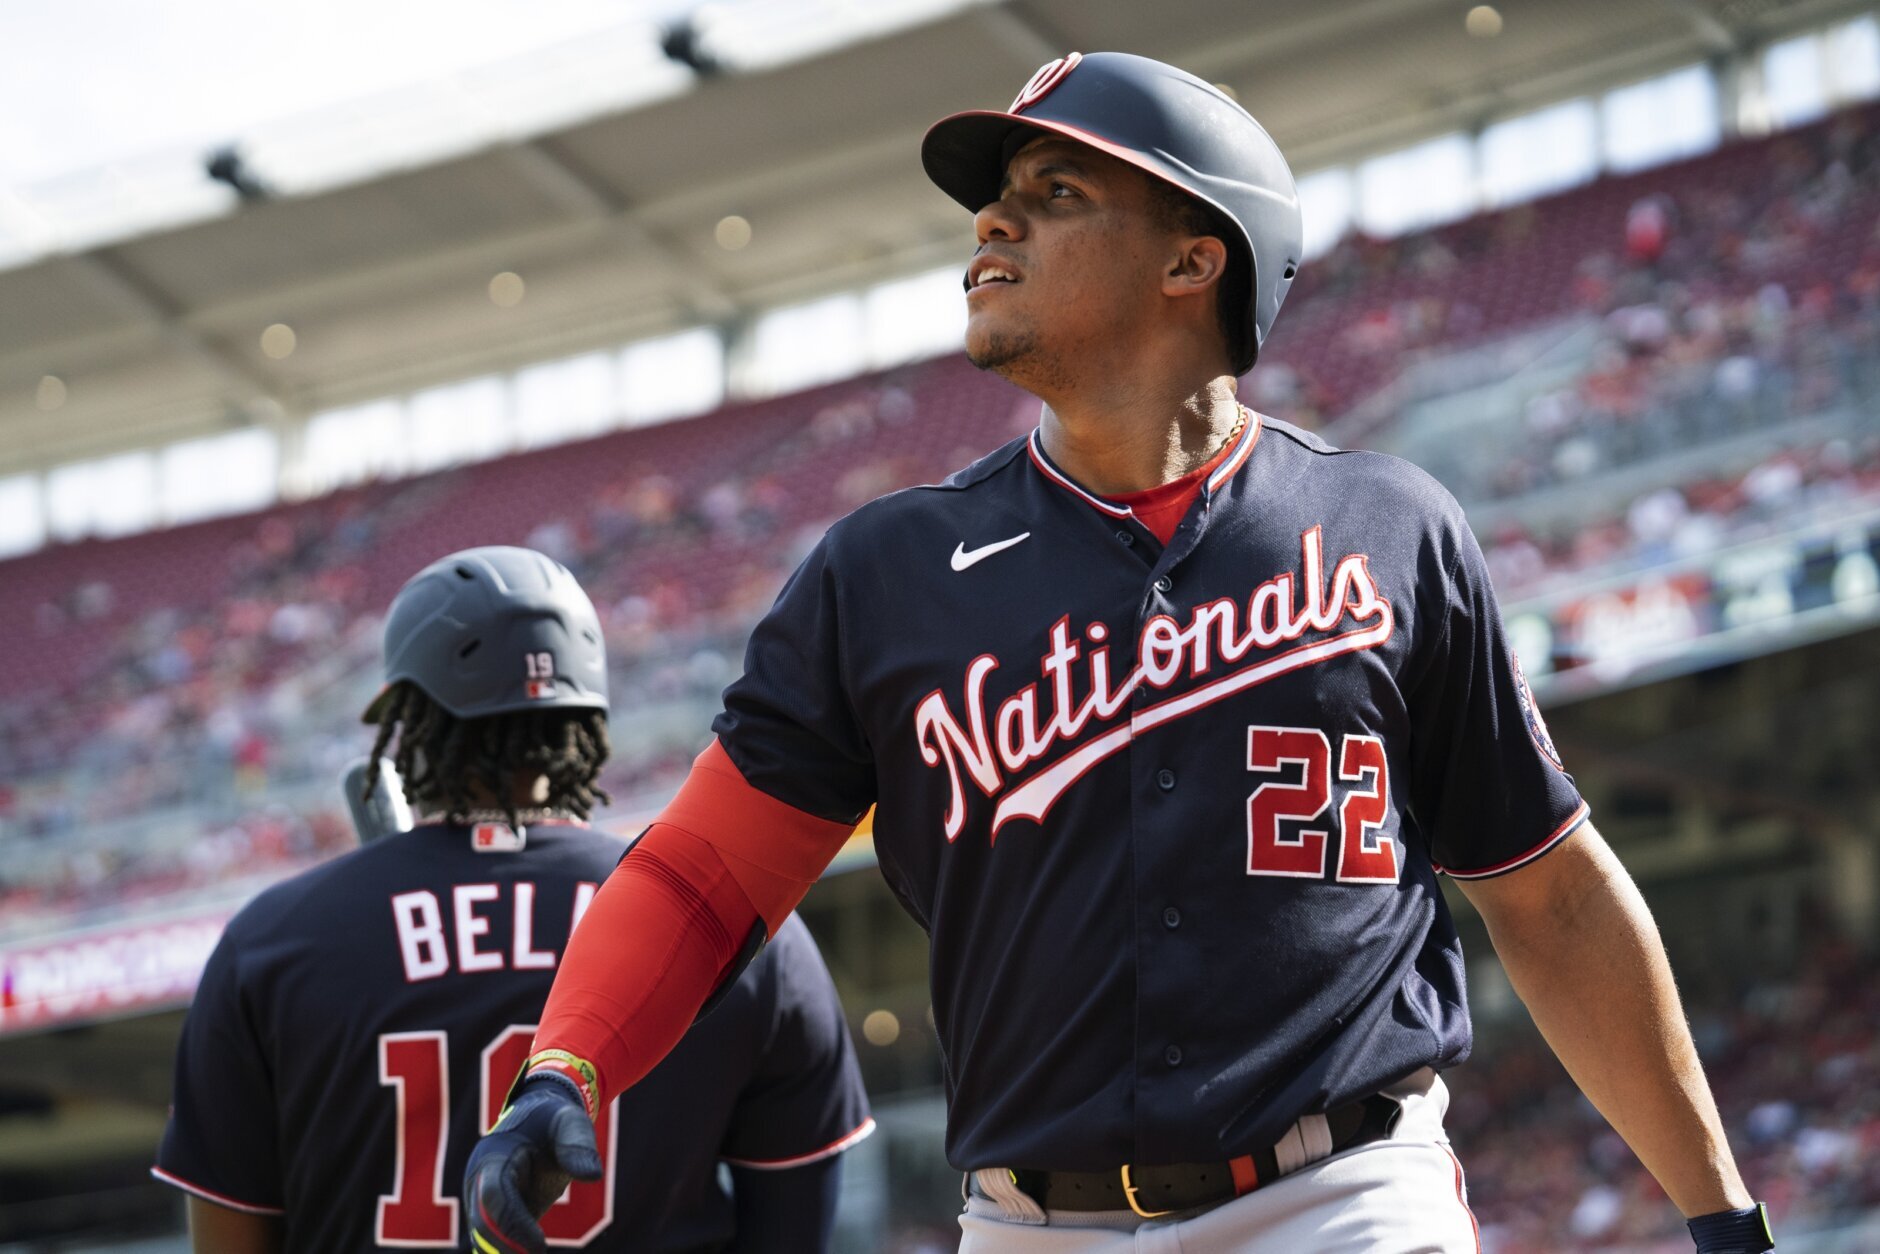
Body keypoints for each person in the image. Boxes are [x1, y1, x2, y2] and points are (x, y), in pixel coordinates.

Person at [465, 53, 1773, 1254]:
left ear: (1193, 260)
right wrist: (561, 1065)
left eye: (1055, 190)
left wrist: (1720, 1212)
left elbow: (1544, 886)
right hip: (1037, 1225)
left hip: (1345, 1198)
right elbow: (703, 869)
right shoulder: (885, 570)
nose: (992, 221)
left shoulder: (1389, 524)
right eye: (995, 200)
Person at [153, 546, 872, 1253]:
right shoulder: (726, 922)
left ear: (403, 713)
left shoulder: (272, 943)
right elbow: (795, 1230)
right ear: (589, 716)